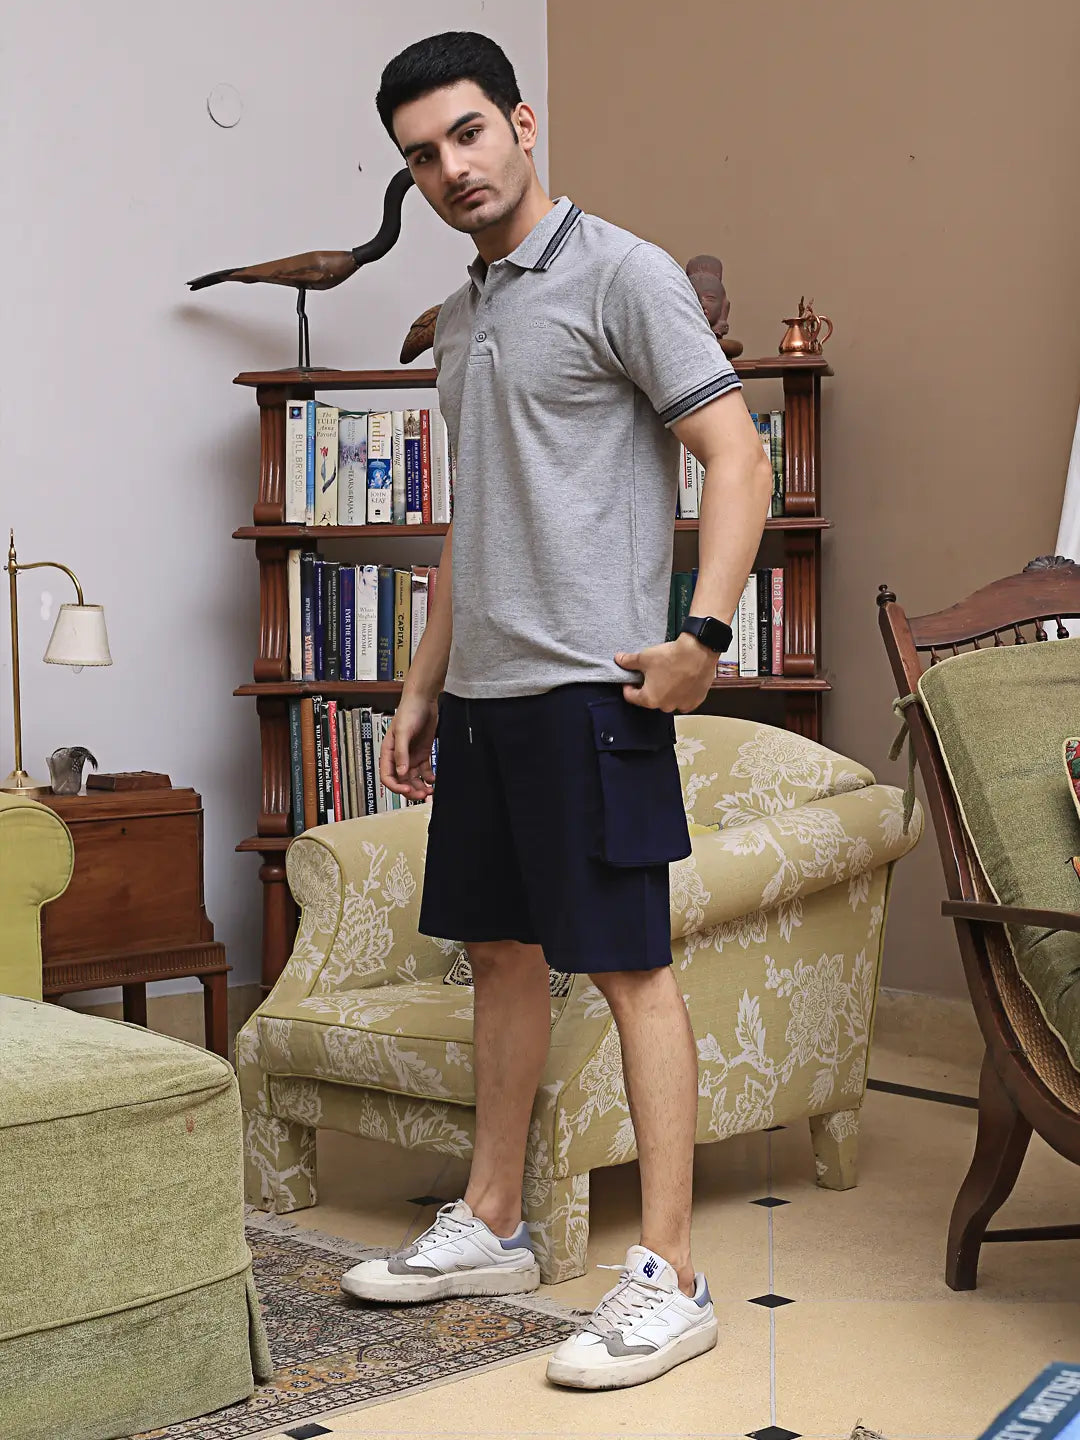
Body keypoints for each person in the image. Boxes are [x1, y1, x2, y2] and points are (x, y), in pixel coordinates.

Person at [340, 30, 772, 1392]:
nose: (451, 167)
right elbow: (480, 521)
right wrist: (419, 689)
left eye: (467, 133)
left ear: (522, 123)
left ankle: (672, 1280)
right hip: (487, 698)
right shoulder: (463, 317)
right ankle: (495, 1220)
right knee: (502, 956)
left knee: (630, 967)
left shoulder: (625, 274)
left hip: (599, 688)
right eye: (422, 155)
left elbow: (735, 451)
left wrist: (701, 637)